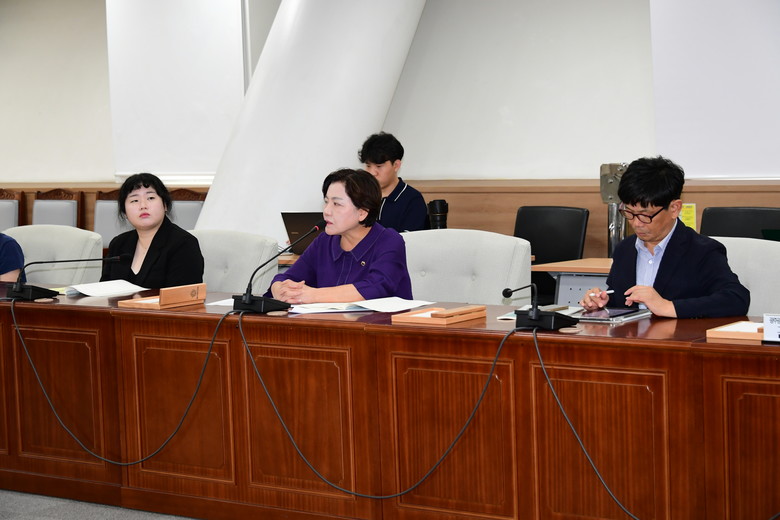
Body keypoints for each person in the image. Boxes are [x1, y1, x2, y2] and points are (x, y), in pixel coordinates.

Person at [580, 156, 749, 318]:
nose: (636, 223)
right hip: (633, 336)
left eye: (645, 215)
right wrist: (602, 303)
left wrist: (668, 306)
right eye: (629, 212)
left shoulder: (702, 250)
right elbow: (620, 299)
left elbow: (736, 298)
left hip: (679, 337)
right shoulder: (624, 249)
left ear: (674, 208)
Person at [268, 168, 412, 304]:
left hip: (383, 322)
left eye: (337, 204)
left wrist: (313, 295)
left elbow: (376, 287)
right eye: (326, 202)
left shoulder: (389, 241)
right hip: (329, 321)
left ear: (362, 212)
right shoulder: (324, 241)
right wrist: (278, 288)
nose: (326, 211)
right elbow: (289, 277)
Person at [101, 173, 204, 289]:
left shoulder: (183, 244)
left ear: (165, 205)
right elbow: (104, 290)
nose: (143, 205)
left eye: (150, 198)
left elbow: (182, 296)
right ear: (124, 212)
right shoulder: (118, 244)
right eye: (134, 200)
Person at [358, 132, 428, 232]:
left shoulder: (412, 200)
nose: (372, 173)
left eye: (379, 166)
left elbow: (409, 240)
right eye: (368, 166)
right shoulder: (360, 196)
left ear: (396, 165)